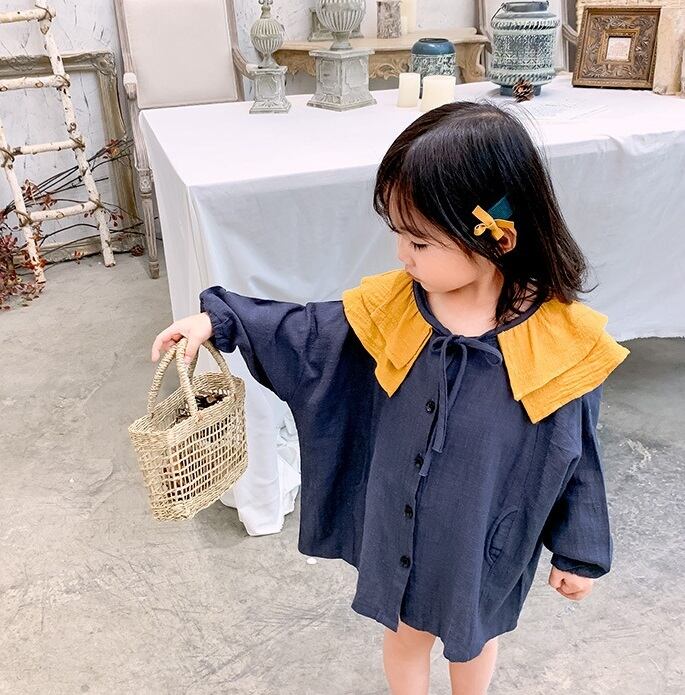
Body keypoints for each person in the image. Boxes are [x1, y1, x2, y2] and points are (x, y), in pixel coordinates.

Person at [151, 102, 629, 695]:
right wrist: (218, 321)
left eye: (419, 241)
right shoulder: (394, 309)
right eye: (399, 234)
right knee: (403, 632)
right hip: (398, 524)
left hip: (478, 537)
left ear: (495, 237)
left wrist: (579, 551)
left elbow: (578, 456)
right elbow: (305, 332)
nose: (402, 254)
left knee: (474, 636)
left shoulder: (558, 342)